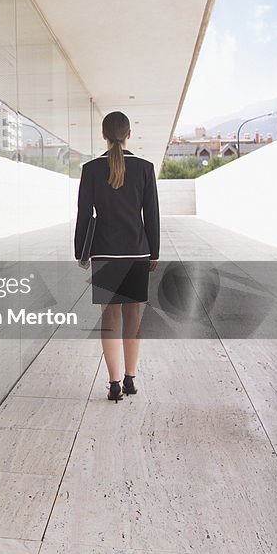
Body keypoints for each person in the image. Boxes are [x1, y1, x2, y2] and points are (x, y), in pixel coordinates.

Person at [74, 111, 160, 402]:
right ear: (129, 134)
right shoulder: (145, 168)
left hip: (104, 250)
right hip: (137, 250)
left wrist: (80, 251)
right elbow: (152, 215)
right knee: (133, 316)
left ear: (103, 134)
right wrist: (155, 251)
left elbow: (84, 214)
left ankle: (113, 383)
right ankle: (130, 378)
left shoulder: (90, 169)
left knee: (110, 317)